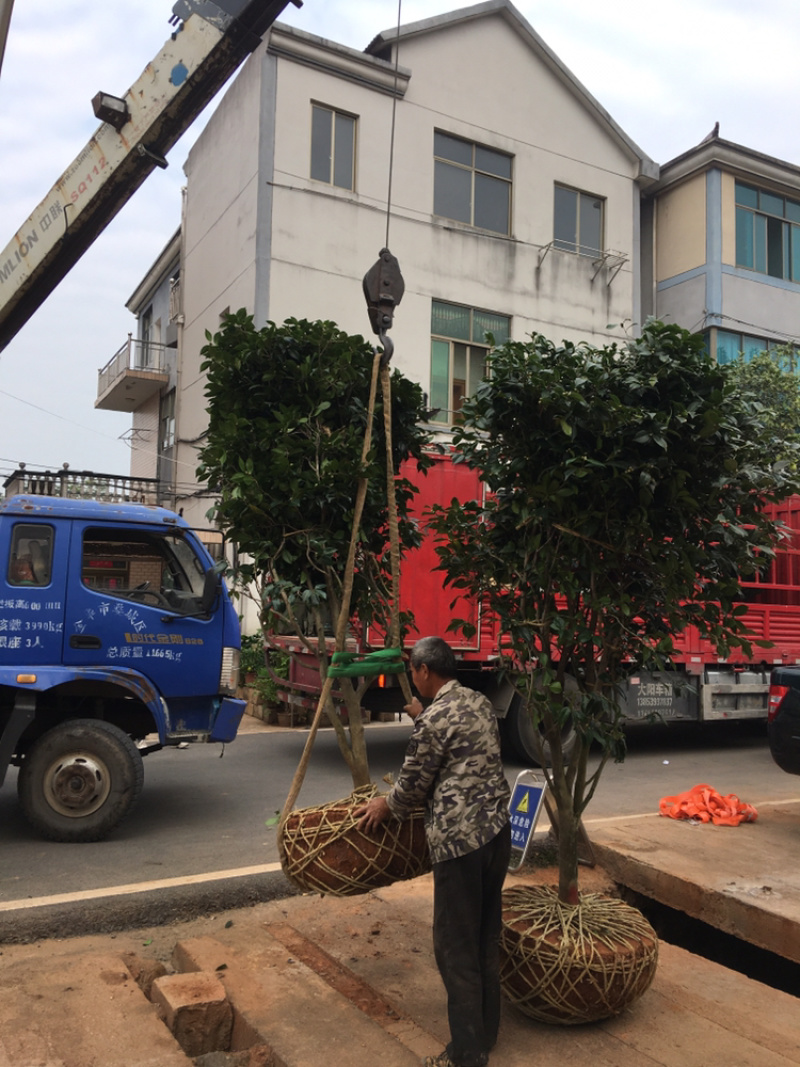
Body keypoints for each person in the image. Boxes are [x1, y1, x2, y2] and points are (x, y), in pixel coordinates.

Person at [356, 636, 511, 1067]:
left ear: (424, 671)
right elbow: (455, 739)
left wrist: (383, 805)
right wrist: (423, 718)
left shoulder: (434, 719)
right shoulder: (478, 702)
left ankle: (466, 1054)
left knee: (454, 948)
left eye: (413, 671)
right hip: (497, 833)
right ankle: (486, 1034)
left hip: (460, 845)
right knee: (484, 937)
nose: (412, 677)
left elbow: (411, 789)